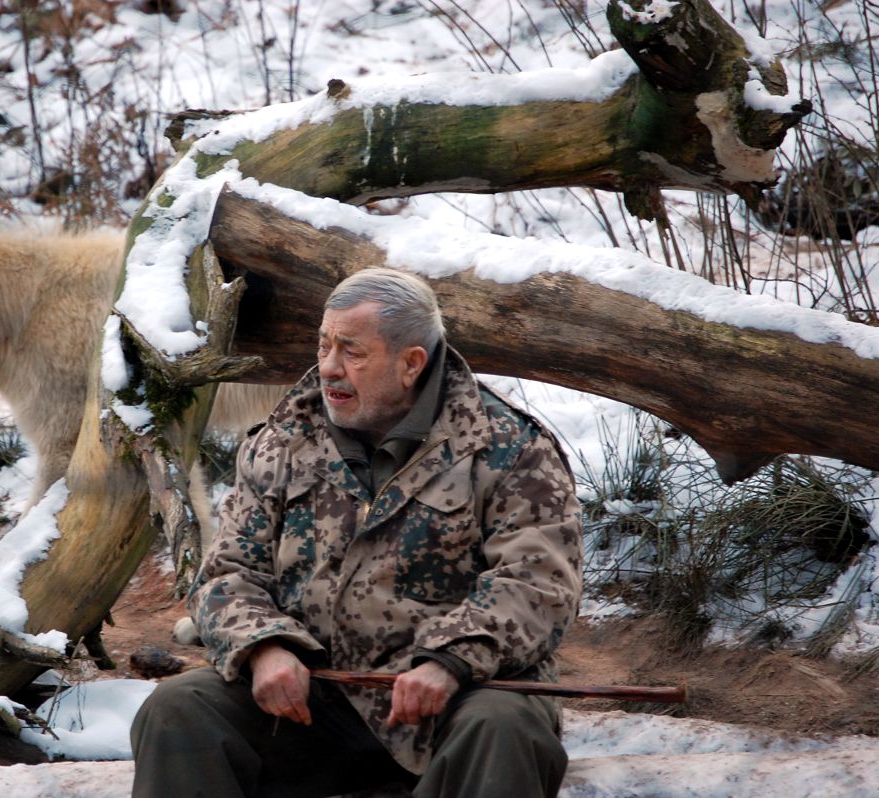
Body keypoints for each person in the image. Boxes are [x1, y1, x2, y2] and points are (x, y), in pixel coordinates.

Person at [130, 268, 583, 797]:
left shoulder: (508, 447)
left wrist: (450, 661)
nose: (328, 368)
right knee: (179, 709)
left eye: (352, 352)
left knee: (503, 727)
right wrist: (265, 649)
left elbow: (539, 584)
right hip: (311, 699)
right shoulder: (284, 439)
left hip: (456, 699)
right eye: (323, 346)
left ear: (412, 363)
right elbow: (228, 573)